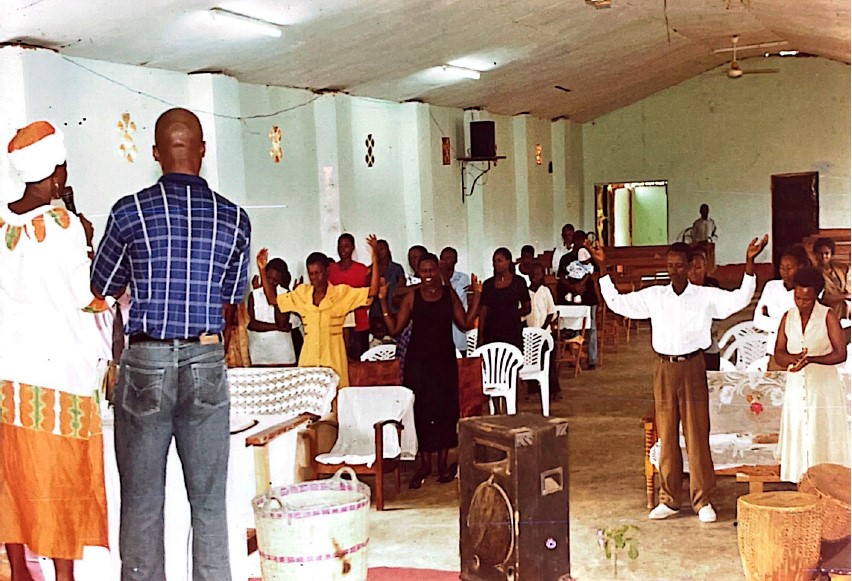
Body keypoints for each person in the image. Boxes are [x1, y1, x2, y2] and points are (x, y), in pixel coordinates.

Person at [91, 108, 251, 580]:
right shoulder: (234, 218)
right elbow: (232, 296)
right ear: (202, 151)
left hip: (146, 360)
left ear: (156, 154)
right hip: (206, 357)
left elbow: (102, 284)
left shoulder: (129, 211)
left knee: (142, 500)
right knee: (209, 502)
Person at [595, 234, 768, 523]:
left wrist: (749, 262)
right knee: (666, 434)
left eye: (679, 265)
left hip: (693, 367)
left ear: (689, 267)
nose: (674, 270)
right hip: (664, 368)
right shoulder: (654, 296)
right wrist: (603, 268)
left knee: (697, 434)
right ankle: (670, 499)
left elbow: (739, 299)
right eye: (670, 265)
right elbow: (618, 303)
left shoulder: (704, 296)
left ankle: (702, 500)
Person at [0, 121, 108, 581]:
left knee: (12, 475)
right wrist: (91, 250)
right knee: (62, 478)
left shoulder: (0, 222)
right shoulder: (64, 228)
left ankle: (19, 571)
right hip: (60, 377)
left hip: (8, 377)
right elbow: (88, 298)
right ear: (58, 172)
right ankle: (63, 576)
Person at [378, 253, 481, 488]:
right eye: (424, 271)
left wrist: (477, 296)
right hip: (418, 365)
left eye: (432, 270)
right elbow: (394, 329)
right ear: (418, 273)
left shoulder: (448, 295)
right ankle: (424, 466)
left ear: (438, 271)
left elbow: (465, 323)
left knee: (445, 412)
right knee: (422, 413)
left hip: (444, 362)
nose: (428, 275)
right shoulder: (412, 297)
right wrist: (383, 301)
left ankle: (443, 465)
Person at [257, 236, 380, 388]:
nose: (315, 278)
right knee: (308, 396)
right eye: (311, 274)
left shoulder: (341, 293)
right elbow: (273, 300)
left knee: (336, 396)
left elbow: (373, 291)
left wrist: (374, 257)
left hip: (334, 358)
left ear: (327, 271)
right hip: (309, 359)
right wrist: (262, 269)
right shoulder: (302, 293)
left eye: (318, 272)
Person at [775, 267, 850, 483]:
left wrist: (812, 359)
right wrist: (792, 358)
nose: (801, 303)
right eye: (797, 297)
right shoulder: (788, 317)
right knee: (800, 430)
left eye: (806, 299)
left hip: (823, 387)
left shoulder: (827, 316)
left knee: (821, 431)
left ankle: (826, 483)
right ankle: (801, 482)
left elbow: (840, 354)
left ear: (816, 294)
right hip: (796, 385)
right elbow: (779, 352)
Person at [753, 249, 805, 359]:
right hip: (773, 349)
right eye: (782, 268)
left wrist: (772, 320)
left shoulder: (806, 291)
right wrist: (787, 325)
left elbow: (803, 326)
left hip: (797, 350)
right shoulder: (771, 286)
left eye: (789, 268)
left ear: (800, 267)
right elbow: (758, 320)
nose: (785, 272)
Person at [559, 231, 600, 369]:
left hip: (588, 296)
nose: (580, 244)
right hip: (571, 296)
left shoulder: (590, 258)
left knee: (591, 328)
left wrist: (581, 284)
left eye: (582, 241)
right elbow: (562, 276)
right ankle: (575, 358)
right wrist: (572, 287)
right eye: (577, 241)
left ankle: (592, 359)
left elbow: (593, 272)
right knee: (574, 327)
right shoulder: (566, 258)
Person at [478, 248, 531, 351]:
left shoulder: (519, 282)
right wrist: (480, 338)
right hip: (491, 331)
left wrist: (511, 314)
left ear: (508, 261)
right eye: (494, 261)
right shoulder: (488, 284)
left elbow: (527, 308)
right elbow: (483, 312)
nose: (496, 264)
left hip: (512, 330)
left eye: (499, 261)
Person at [247, 257, 298, 365]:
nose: (271, 282)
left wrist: (275, 297)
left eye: (275, 280)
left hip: (283, 355)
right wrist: (277, 328)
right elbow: (252, 324)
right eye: (269, 278)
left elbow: (282, 322)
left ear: (280, 280)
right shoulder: (254, 295)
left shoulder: (285, 294)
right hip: (259, 354)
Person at [329, 233, 371, 359]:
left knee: (359, 360)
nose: (343, 250)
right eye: (340, 246)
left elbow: (369, 293)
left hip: (360, 322)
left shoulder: (362, 269)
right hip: (338, 324)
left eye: (346, 246)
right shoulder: (331, 269)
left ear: (352, 247)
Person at [524, 262, 561, 401]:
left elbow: (551, 312)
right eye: (532, 274)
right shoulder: (525, 293)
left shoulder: (545, 291)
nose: (535, 277)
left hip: (545, 333)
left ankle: (554, 390)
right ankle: (533, 389)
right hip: (530, 334)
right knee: (531, 361)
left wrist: (542, 329)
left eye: (538, 274)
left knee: (548, 362)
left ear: (542, 275)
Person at [687, 250, 722, 370]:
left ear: (705, 268)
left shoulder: (712, 290)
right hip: (687, 350)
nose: (693, 272)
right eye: (690, 268)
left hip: (709, 348)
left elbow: (716, 318)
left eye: (698, 268)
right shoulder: (681, 291)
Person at [439, 246, 471, 355]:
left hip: (458, 333)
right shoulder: (436, 279)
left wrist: (445, 278)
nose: (446, 261)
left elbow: (455, 299)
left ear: (456, 260)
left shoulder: (462, 278)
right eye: (444, 258)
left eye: (449, 258)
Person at [368, 239, 405, 324]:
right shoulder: (371, 270)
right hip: (376, 312)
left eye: (381, 249)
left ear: (387, 250)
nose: (379, 252)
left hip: (393, 310)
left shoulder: (396, 268)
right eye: (376, 250)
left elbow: (401, 289)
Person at [812, 237, 850, 320]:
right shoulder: (813, 273)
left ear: (831, 254)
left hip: (844, 312)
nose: (823, 256)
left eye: (826, 253)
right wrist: (845, 296)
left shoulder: (841, 269)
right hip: (825, 314)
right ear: (815, 254)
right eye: (820, 253)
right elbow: (822, 299)